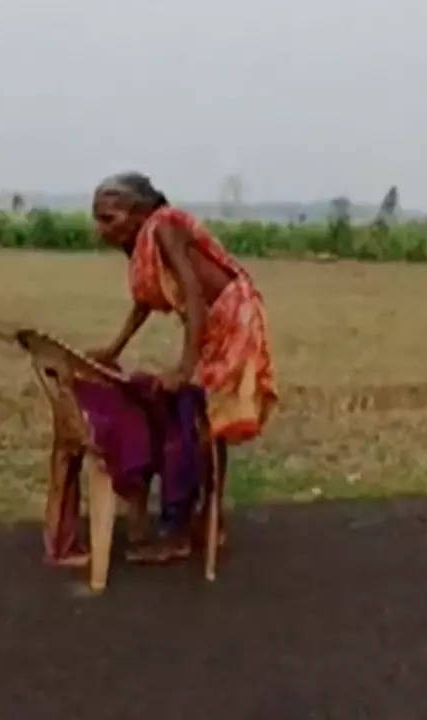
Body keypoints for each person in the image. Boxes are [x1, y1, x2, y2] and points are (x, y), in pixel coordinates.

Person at [88, 172, 278, 563]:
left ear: (139, 212)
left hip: (231, 315)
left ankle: (198, 525)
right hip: (214, 320)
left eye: (109, 218)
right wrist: (113, 348)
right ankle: (206, 520)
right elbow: (144, 302)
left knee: (209, 422)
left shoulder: (164, 227)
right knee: (209, 421)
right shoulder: (143, 242)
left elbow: (191, 291)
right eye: (98, 219)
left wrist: (184, 366)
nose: (99, 229)